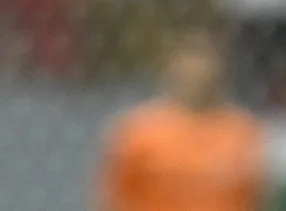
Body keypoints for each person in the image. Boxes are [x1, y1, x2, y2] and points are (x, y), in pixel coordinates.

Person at [98, 26, 266, 211]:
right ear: (170, 67)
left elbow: (253, 197)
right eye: (189, 60)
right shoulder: (138, 130)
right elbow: (114, 197)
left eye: (205, 60)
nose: (198, 71)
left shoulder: (242, 130)